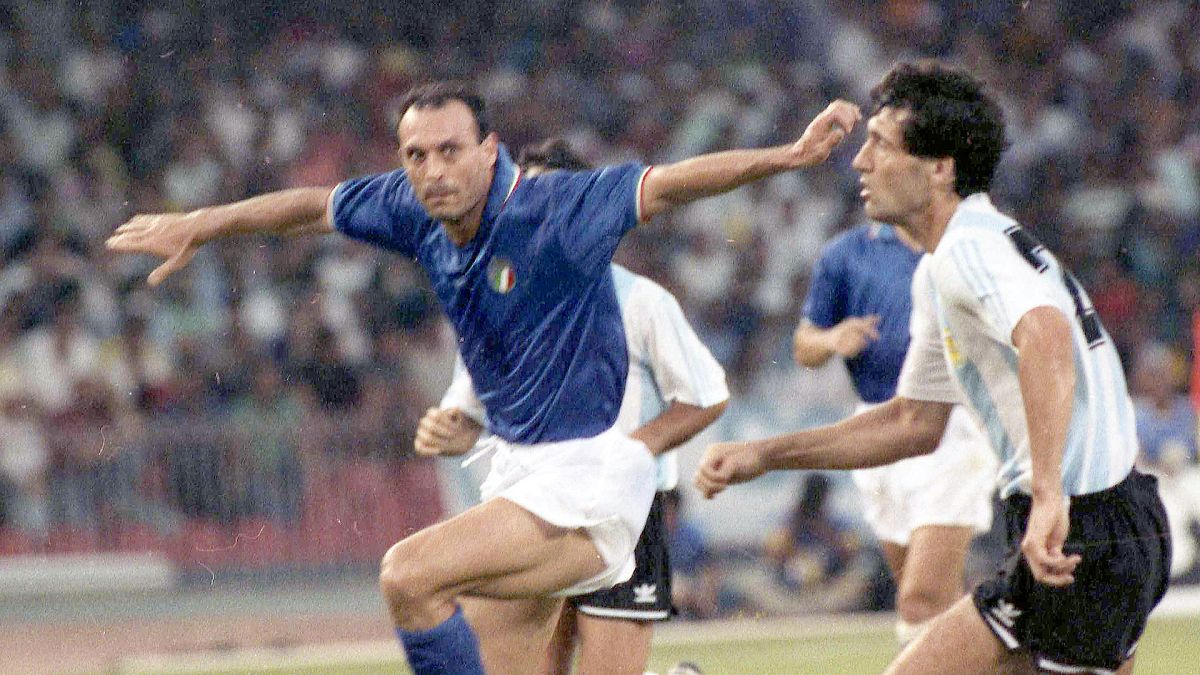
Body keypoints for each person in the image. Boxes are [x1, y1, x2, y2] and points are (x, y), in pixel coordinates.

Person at [106, 81, 859, 675]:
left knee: (408, 575)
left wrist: (785, 158)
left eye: (449, 150)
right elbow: (310, 208)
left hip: (593, 482)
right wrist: (201, 223)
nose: (432, 170)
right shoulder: (413, 207)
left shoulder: (556, 207)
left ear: (489, 148)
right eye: (416, 155)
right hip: (519, 479)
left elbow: (671, 184)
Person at [696, 61, 1171, 675]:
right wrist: (764, 455)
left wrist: (1050, 495)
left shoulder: (966, 250)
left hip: (1081, 529)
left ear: (940, 167)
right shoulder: (956, 260)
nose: (859, 161)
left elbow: (1046, 336)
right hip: (1107, 517)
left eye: (881, 144)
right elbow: (912, 424)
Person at [414, 138, 730, 675]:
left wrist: (631, 452)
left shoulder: (640, 301)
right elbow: (468, 416)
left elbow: (704, 397)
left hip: (621, 513)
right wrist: (449, 430)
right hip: (534, 508)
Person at [793, 218, 997, 645]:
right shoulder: (844, 254)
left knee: (920, 602)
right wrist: (831, 340)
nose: (863, 166)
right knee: (924, 607)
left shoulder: (957, 241)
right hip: (877, 430)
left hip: (949, 426)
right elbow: (803, 345)